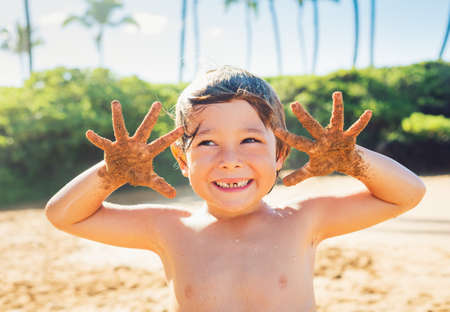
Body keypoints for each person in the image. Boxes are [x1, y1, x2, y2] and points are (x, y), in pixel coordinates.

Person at [45, 66, 426, 312]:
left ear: (281, 154)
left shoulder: (305, 220)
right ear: (181, 160)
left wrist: (352, 158)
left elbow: (407, 193)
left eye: (250, 141)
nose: (230, 159)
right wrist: (111, 174)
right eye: (208, 143)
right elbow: (63, 215)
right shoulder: (169, 229)